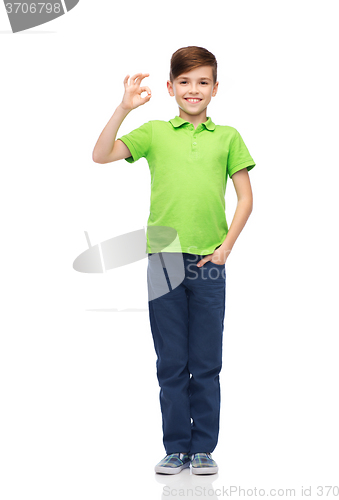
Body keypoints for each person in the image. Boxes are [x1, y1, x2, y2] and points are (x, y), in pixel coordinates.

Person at [92, 46, 256, 475]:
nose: (193, 89)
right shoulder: (154, 132)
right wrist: (123, 107)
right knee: (171, 361)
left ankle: (202, 448)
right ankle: (175, 447)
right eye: (184, 81)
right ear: (170, 87)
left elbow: (246, 199)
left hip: (210, 261)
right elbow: (101, 154)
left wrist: (226, 248)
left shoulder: (228, 137)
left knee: (205, 360)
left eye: (203, 81)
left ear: (215, 88)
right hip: (163, 260)